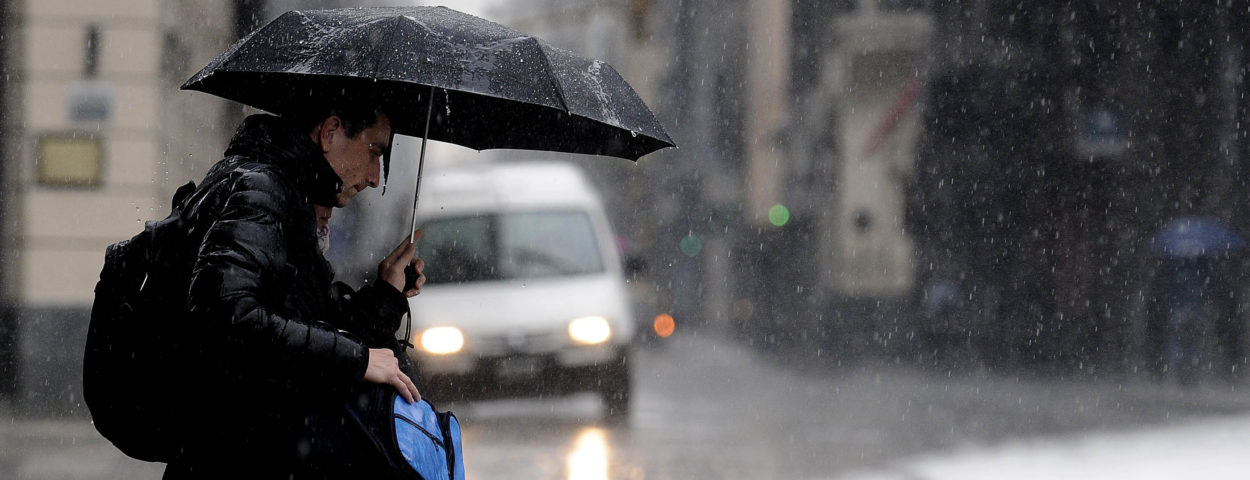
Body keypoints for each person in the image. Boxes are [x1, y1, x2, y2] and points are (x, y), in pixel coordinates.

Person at [162, 100, 427, 479]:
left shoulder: (288, 199)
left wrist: (387, 295)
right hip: (233, 459)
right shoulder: (260, 191)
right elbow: (227, 317)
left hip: (253, 453)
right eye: (374, 152)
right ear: (330, 132)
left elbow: (308, 328)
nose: (374, 177)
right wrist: (358, 359)